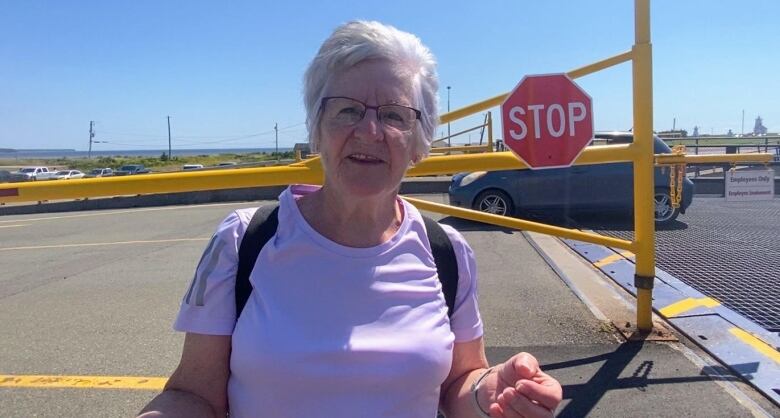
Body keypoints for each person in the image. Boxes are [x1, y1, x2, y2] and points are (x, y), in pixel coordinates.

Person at [139, 20, 562, 418]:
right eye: (346, 110)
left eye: (395, 115)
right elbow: (194, 393)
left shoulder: (447, 252)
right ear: (317, 128)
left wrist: (489, 393)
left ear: (419, 143)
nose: (370, 131)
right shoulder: (244, 239)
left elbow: (459, 380)